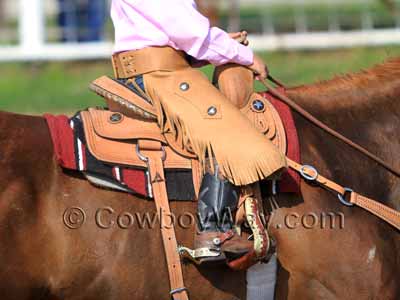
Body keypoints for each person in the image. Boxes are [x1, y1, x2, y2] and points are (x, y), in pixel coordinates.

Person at [110, 0, 287, 262]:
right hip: (158, 74)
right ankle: (213, 230)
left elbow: (168, 30)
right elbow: (188, 30)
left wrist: (215, 46)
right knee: (227, 129)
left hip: (157, 66)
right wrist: (245, 56)